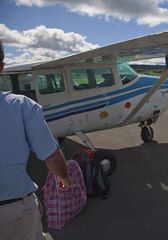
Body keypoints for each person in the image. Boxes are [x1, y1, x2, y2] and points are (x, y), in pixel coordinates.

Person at [0, 39, 71, 240]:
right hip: (13, 211)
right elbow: (51, 156)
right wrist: (64, 176)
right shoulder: (22, 106)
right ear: (2, 67)